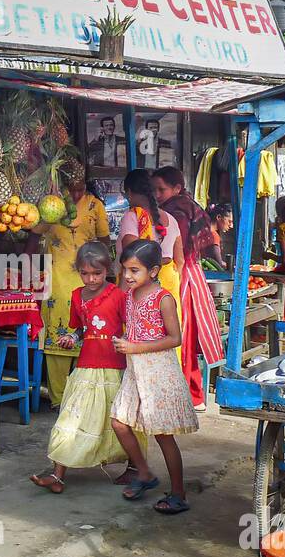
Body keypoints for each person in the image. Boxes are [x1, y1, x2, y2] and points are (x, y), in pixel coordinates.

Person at [30, 242, 130, 494]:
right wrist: (71, 338)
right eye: (85, 273)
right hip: (85, 366)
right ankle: (58, 473)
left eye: (96, 273)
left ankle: (135, 467)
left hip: (114, 367)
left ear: (108, 269)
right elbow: (78, 329)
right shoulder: (76, 295)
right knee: (71, 417)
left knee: (122, 421)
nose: (91, 279)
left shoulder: (119, 296)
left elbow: (130, 327)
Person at [110, 239, 200, 515]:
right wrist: (128, 341)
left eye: (134, 270)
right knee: (119, 422)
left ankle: (178, 493)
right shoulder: (129, 296)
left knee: (163, 435)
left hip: (158, 371)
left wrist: (135, 346)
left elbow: (175, 339)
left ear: (153, 271)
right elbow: (137, 328)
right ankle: (146, 474)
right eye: (125, 269)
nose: (127, 276)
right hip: (136, 370)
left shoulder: (164, 299)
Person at [34, 178, 111, 407]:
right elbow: (33, 233)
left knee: (88, 333)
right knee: (57, 336)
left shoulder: (94, 205)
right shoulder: (52, 205)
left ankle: (83, 398)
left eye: (81, 189)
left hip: (87, 277)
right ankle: (58, 399)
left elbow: (105, 240)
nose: (76, 194)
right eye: (72, 189)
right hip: (56, 279)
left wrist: (106, 270)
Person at [153, 165, 225, 409]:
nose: (157, 195)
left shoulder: (176, 212)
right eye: (154, 190)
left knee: (178, 335)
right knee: (187, 335)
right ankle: (194, 395)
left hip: (179, 274)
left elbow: (177, 251)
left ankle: (184, 396)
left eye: (161, 189)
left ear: (177, 188)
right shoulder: (187, 206)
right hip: (192, 275)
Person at [117, 168, 184, 332]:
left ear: (129, 193)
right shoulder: (172, 219)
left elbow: (134, 256)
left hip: (140, 284)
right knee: (168, 332)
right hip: (169, 281)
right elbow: (180, 261)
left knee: (141, 335)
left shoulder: (132, 217)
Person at [208, 202, 234, 270]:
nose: (231, 226)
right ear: (218, 217)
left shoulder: (204, 230)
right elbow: (218, 263)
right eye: (229, 221)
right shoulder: (214, 236)